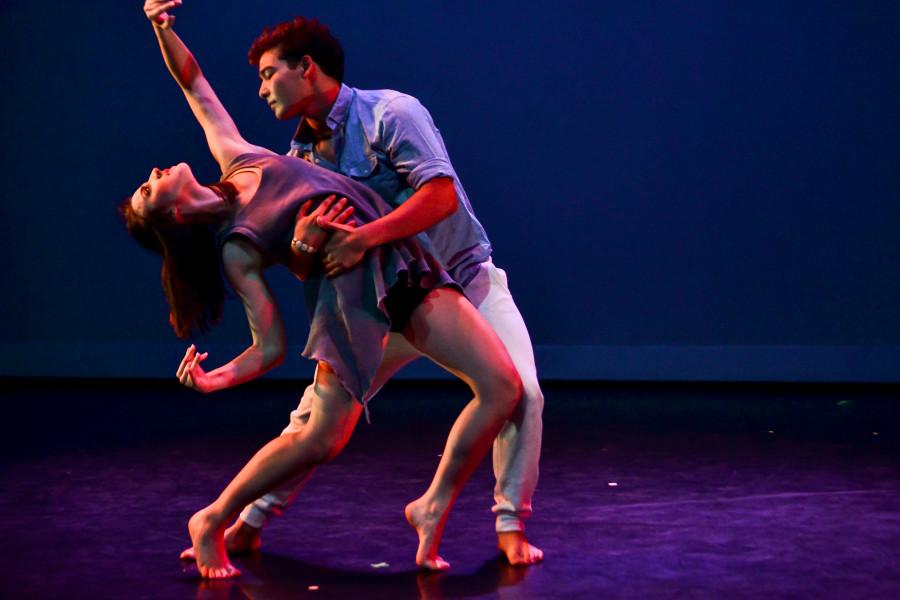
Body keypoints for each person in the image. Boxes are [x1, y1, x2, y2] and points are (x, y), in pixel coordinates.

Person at [128, 1, 523, 578]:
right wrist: (217, 378)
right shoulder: (238, 248)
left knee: (502, 385)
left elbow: (194, 84)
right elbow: (269, 346)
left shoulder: (237, 159)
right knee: (319, 438)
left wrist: (161, 28)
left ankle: (430, 503)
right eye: (146, 190)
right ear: (171, 221)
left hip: (399, 263)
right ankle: (213, 519)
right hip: (355, 298)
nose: (156, 172)